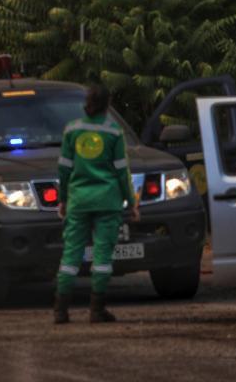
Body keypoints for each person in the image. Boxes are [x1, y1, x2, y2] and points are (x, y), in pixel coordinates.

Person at [53, 84, 139, 324]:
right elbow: (122, 172)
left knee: (71, 254)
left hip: (78, 200)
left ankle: (60, 310)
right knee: (102, 255)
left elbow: (64, 168)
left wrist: (63, 199)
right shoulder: (114, 132)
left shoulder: (72, 130)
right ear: (108, 105)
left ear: (86, 103)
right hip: (107, 200)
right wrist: (131, 202)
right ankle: (97, 309)